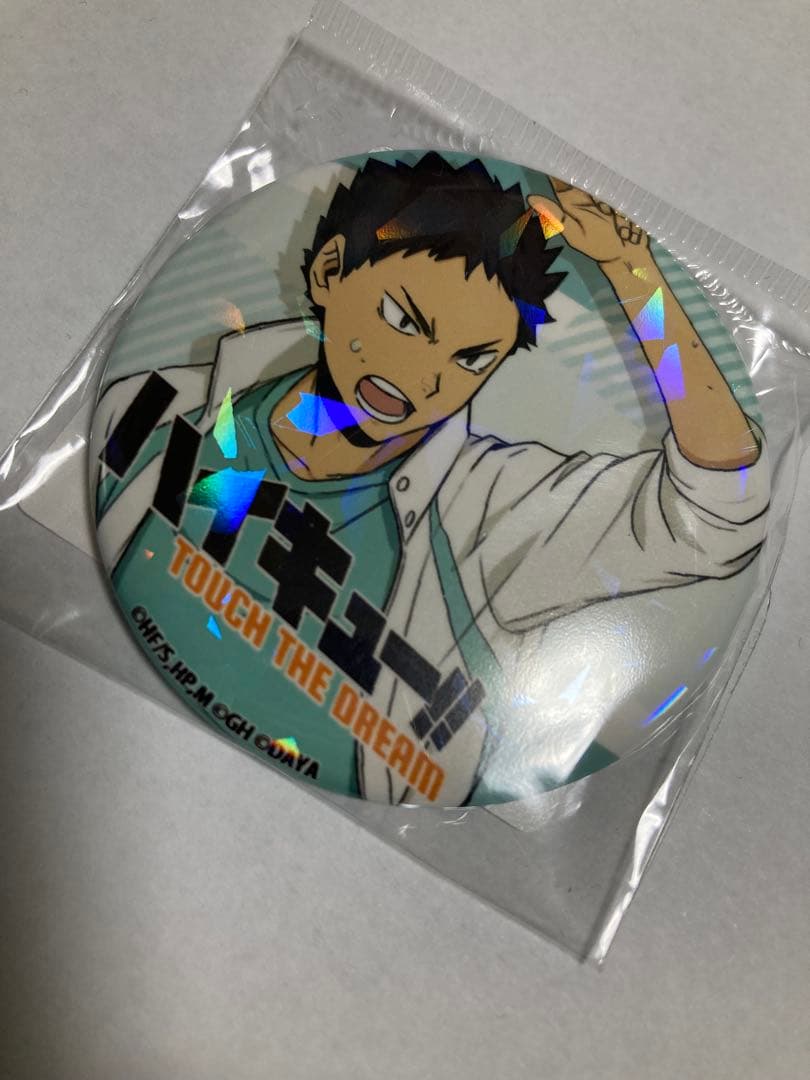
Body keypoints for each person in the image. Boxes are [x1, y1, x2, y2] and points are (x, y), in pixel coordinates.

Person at [94, 153, 769, 805]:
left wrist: (634, 274)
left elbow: (719, 504)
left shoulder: (491, 509)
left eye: (471, 359)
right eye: (403, 321)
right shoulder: (158, 404)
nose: (422, 378)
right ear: (330, 272)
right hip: (113, 720)